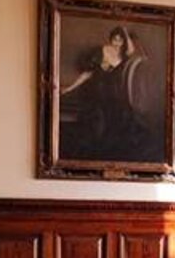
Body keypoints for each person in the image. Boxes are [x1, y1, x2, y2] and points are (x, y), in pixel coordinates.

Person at [60, 25, 151, 162]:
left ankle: (111, 153)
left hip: (112, 93)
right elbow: (87, 73)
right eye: (115, 40)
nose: (117, 43)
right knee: (97, 123)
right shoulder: (102, 51)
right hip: (97, 91)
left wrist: (125, 32)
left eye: (120, 41)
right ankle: (92, 154)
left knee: (118, 121)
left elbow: (132, 50)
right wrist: (70, 88)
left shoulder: (123, 54)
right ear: (110, 39)